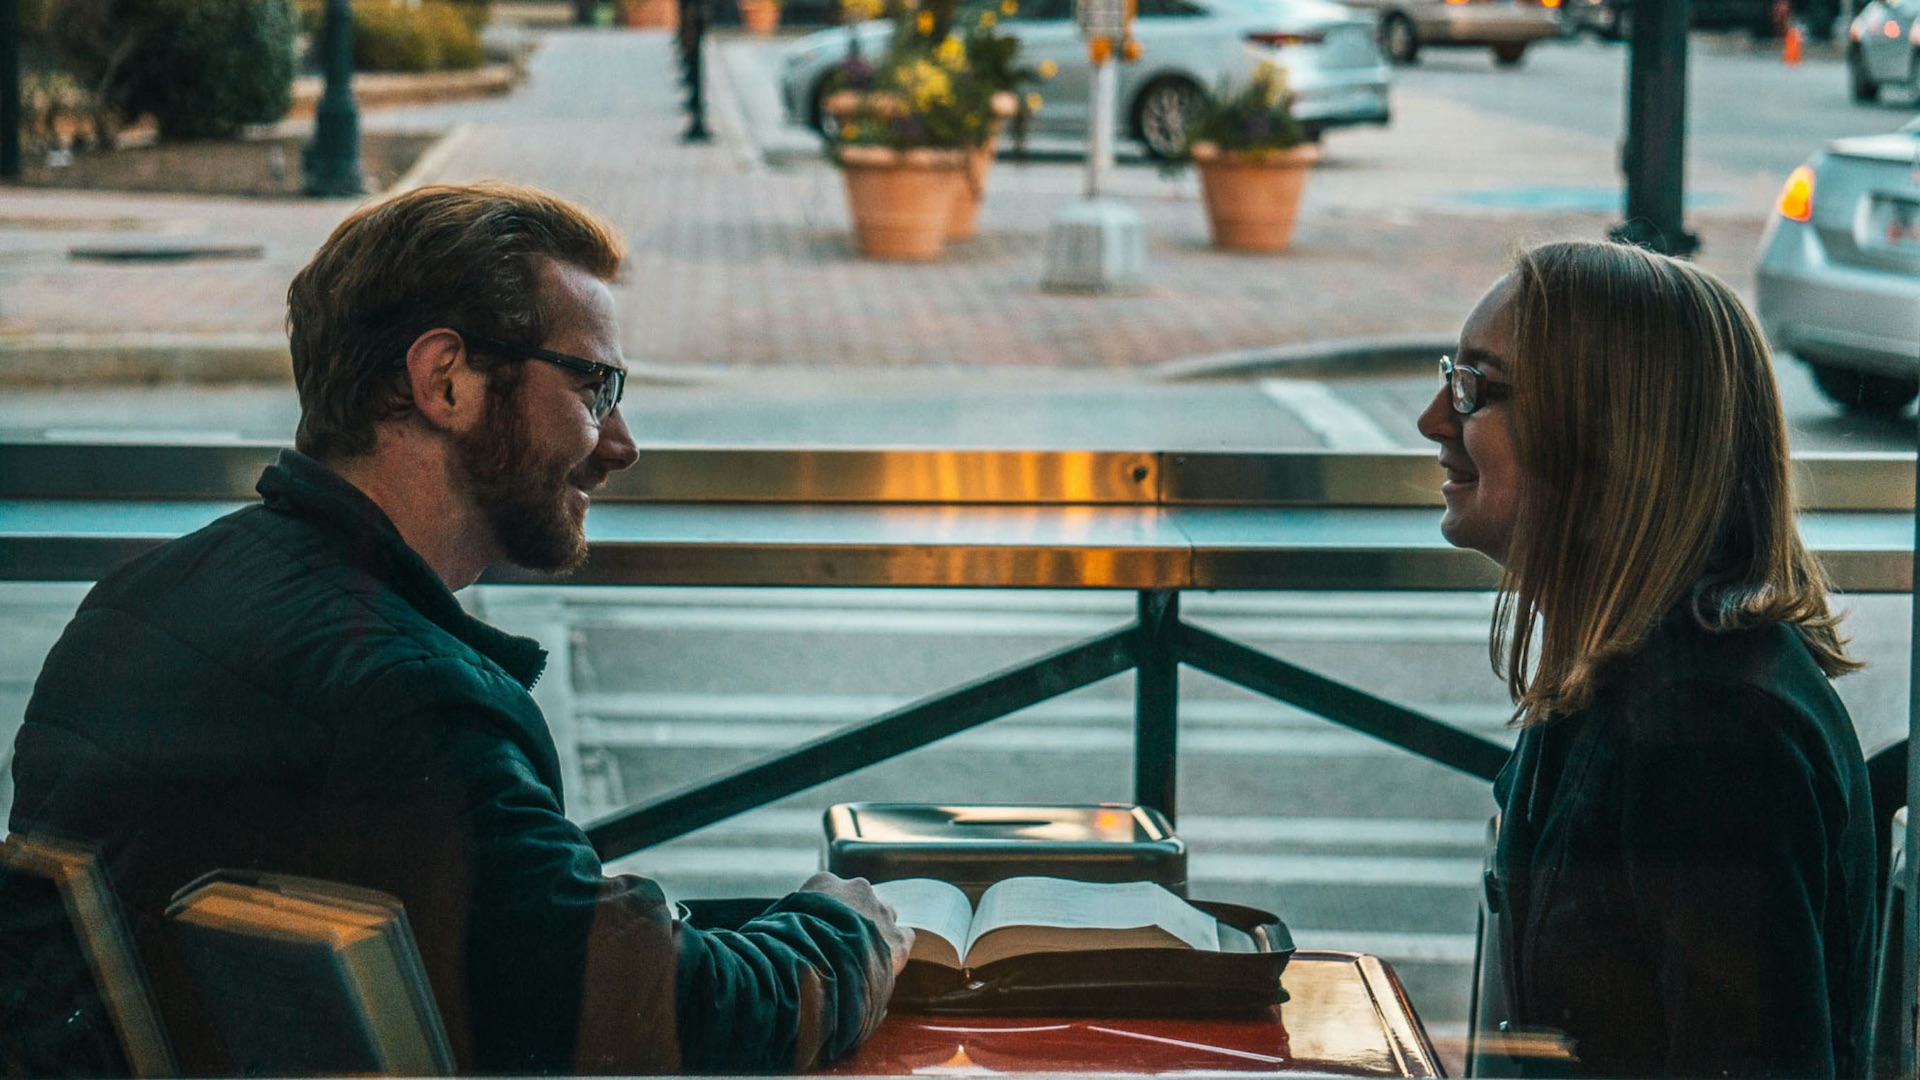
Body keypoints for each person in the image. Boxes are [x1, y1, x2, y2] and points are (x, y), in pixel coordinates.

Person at [5, 182, 911, 1075]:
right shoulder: (406, 701)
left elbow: (532, 933)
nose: (621, 442)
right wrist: (847, 928)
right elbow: (670, 1017)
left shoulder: (135, 604)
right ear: (445, 379)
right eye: (595, 387)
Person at [1417, 240, 1877, 1078]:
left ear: (1604, 432)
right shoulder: (1642, 670)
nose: (1435, 421)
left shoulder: (1709, 733)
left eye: (1473, 389)